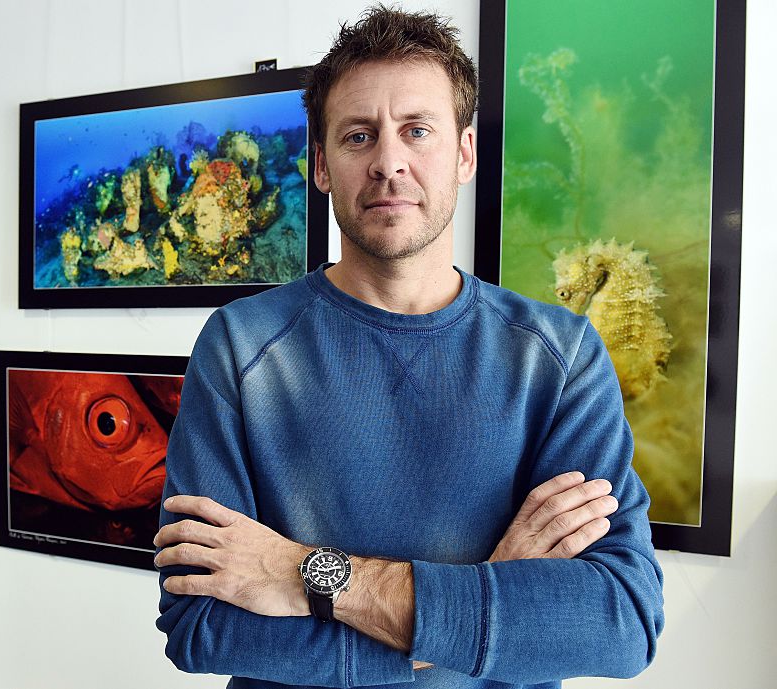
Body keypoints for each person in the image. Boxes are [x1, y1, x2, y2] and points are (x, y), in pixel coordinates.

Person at [154, 6, 664, 688]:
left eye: (416, 131)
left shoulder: (558, 358)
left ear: (463, 153)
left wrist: (304, 573)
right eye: (359, 136)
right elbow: (201, 627)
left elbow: (620, 622)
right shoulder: (241, 346)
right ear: (322, 165)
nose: (388, 162)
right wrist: (484, 598)